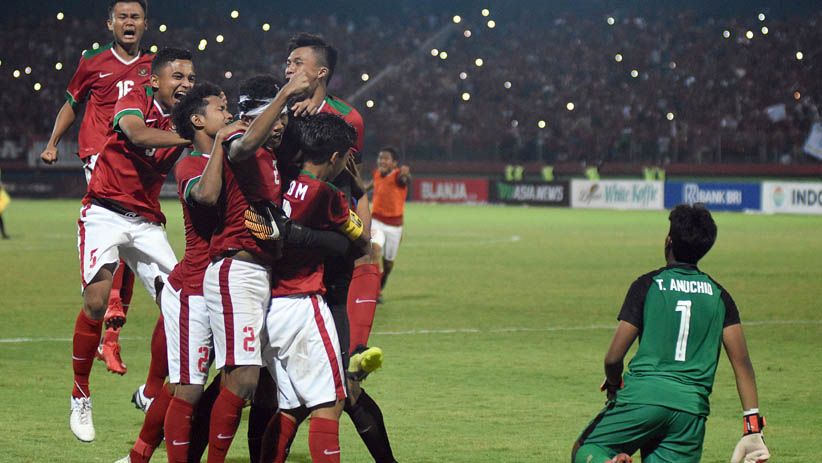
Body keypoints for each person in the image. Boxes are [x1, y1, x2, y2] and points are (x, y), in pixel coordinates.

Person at [278, 32, 398, 462]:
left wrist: (361, 244)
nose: (288, 69)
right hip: (281, 260)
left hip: (330, 258)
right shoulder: (277, 114)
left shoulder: (349, 119)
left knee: (340, 384)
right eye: (287, 63)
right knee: (264, 383)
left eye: (296, 62)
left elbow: (354, 186)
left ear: (320, 71)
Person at [571, 204, 770, 463]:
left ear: (669, 241)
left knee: (587, 449)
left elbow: (613, 358)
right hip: (689, 413)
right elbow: (742, 364)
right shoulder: (721, 297)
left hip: (643, 399)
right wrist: (752, 426)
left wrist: (612, 383)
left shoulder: (648, 285)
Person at [69, 47, 194, 443]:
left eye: (190, 78)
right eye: (178, 77)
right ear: (155, 80)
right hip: (104, 211)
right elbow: (136, 132)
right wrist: (189, 135)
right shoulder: (135, 98)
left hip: (147, 222)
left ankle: (151, 390)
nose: (185, 84)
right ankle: (80, 394)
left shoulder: (189, 116)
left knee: (180, 304)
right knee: (97, 299)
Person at [200, 71, 310, 463]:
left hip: (261, 275)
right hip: (236, 271)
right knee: (243, 378)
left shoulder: (274, 158)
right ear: (252, 114)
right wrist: (285, 93)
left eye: (283, 118)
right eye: (273, 116)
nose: (280, 125)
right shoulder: (235, 136)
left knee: (259, 382)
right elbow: (243, 146)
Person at [42, 0, 155, 379]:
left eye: (134, 17)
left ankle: (112, 334)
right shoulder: (92, 61)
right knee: (115, 221)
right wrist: (53, 141)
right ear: (110, 23)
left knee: (130, 238)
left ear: (145, 23)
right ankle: (110, 310)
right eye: (122, 16)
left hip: (134, 164)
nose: (128, 22)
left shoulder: (155, 67)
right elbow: (72, 103)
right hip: (98, 154)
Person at [262, 112, 368, 463]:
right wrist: (360, 192)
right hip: (303, 303)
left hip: (267, 305)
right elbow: (362, 242)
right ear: (337, 157)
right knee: (330, 403)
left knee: (290, 406)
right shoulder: (328, 194)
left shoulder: (281, 180)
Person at [366, 147, 411, 297]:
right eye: (380, 158)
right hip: (376, 220)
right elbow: (372, 184)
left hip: (395, 226)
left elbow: (405, 180)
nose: (382, 161)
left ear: (394, 163)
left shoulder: (398, 175)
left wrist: (406, 175)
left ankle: (382, 281)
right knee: (375, 250)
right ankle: (374, 291)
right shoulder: (377, 173)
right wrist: (361, 190)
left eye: (386, 159)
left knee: (389, 263)